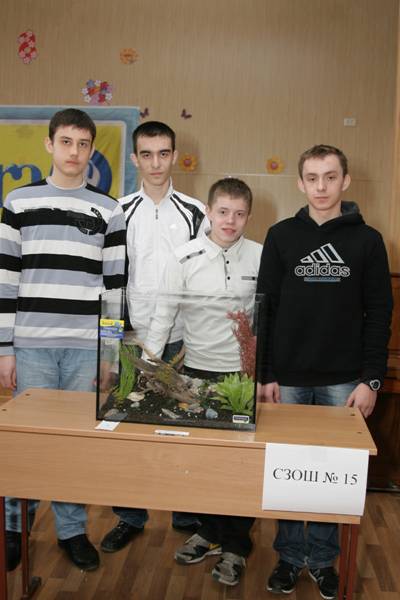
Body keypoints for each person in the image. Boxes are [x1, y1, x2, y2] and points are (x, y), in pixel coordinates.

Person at [256, 144, 393, 599]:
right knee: (287, 472)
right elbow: (264, 308)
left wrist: (371, 379)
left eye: (330, 177)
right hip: (287, 380)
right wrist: (265, 374)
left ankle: (321, 560)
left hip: (344, 381)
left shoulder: (368, 240)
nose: (321, 187)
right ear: (300, 183)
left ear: (345, 181)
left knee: (332, 476)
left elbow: (380, 313)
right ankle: (288, 557)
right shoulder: (280, 236)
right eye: (312, 178)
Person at [0, 108, 126, 572]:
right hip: (31, 345)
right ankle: (14, 528)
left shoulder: (109, 209)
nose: (75, 152)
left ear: (92, 150)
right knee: (27, 445)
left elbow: (115, 289)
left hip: (85, 349)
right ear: (49, 145)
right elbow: (5, 279)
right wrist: (3, 349)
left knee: (75, 446)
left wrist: (110, 353)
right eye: (66, 142)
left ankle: (72, 531)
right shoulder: (18, 202)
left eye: (83, 144)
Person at [144, 177, 262, 586]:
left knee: (240, 467)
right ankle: (210, 531)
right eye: (223, 211)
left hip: (242, 378)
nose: (231, 221)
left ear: (249, 216)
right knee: (201, 465)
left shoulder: (262, 256)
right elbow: (163, 317)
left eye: (240, 213)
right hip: (195, 374)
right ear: (208, 211)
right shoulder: (183, 256)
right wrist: (148, 369)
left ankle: (236, 545)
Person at [100, 121, 208, 553]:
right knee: (129, 430)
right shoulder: (119, 210)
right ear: (134, 159)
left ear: (175, 156)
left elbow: (202, 278)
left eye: (164, 153)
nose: (156, 163)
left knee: (183, 427)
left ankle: (185, 511)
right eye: (147, 154)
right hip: (132, 340)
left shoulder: (196, 212)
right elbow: (110, 282)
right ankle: (130, 516)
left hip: (181, 341)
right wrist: (112, 344)